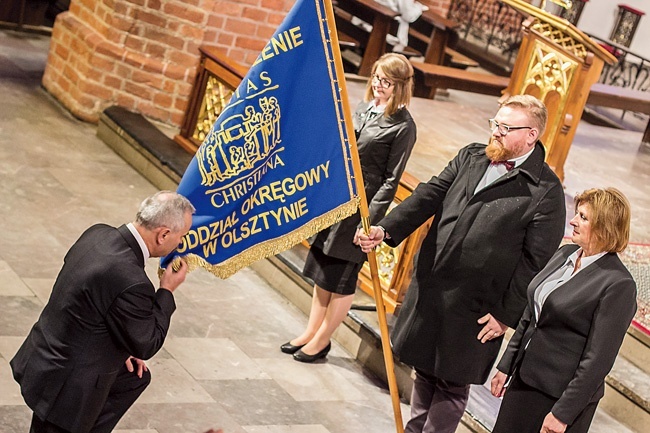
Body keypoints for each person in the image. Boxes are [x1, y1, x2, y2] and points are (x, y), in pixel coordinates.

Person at [357, 94, 566, 433]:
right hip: (435, 287)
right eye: (495, 124)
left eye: (505, 127)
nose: (496, 132)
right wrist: (386, 228)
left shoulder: (544, 190)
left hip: (477, 307)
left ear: (531, 135)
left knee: (452, 383)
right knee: (425, 369)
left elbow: (535, 263)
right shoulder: (472, 156)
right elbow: (430, 194)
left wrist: (505, 315)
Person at [11, 191, 195, 433]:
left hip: (46, 354)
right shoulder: (132, 280)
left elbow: (88, 301)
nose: (180, 244)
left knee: (133, 379)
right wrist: (167, 290)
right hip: (67, 385)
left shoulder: (97, 233)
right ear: (163, 235)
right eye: (181, 237)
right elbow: (147, 343)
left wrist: (117, 347)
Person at [281, 53, 417, 363]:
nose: (377, 85)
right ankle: (310, 332)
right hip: (336, 200)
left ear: (399, 86)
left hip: (361, 208)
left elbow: (390, 180)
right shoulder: (364, 109)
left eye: (385, 81)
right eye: (375, 77)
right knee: (323, 271)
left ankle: (322, 340)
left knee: (342, 277)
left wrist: (368, 222)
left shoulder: (403, 126)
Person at [490, 188, 637, 433]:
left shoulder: (618, 284)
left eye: (583, 217)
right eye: (577, 214)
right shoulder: (564, 253)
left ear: (605, 228)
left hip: (557, 397)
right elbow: (532, 313)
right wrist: (507, 365)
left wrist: (563, 413)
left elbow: (598, 360)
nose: (573, 221)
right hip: (524, 382)